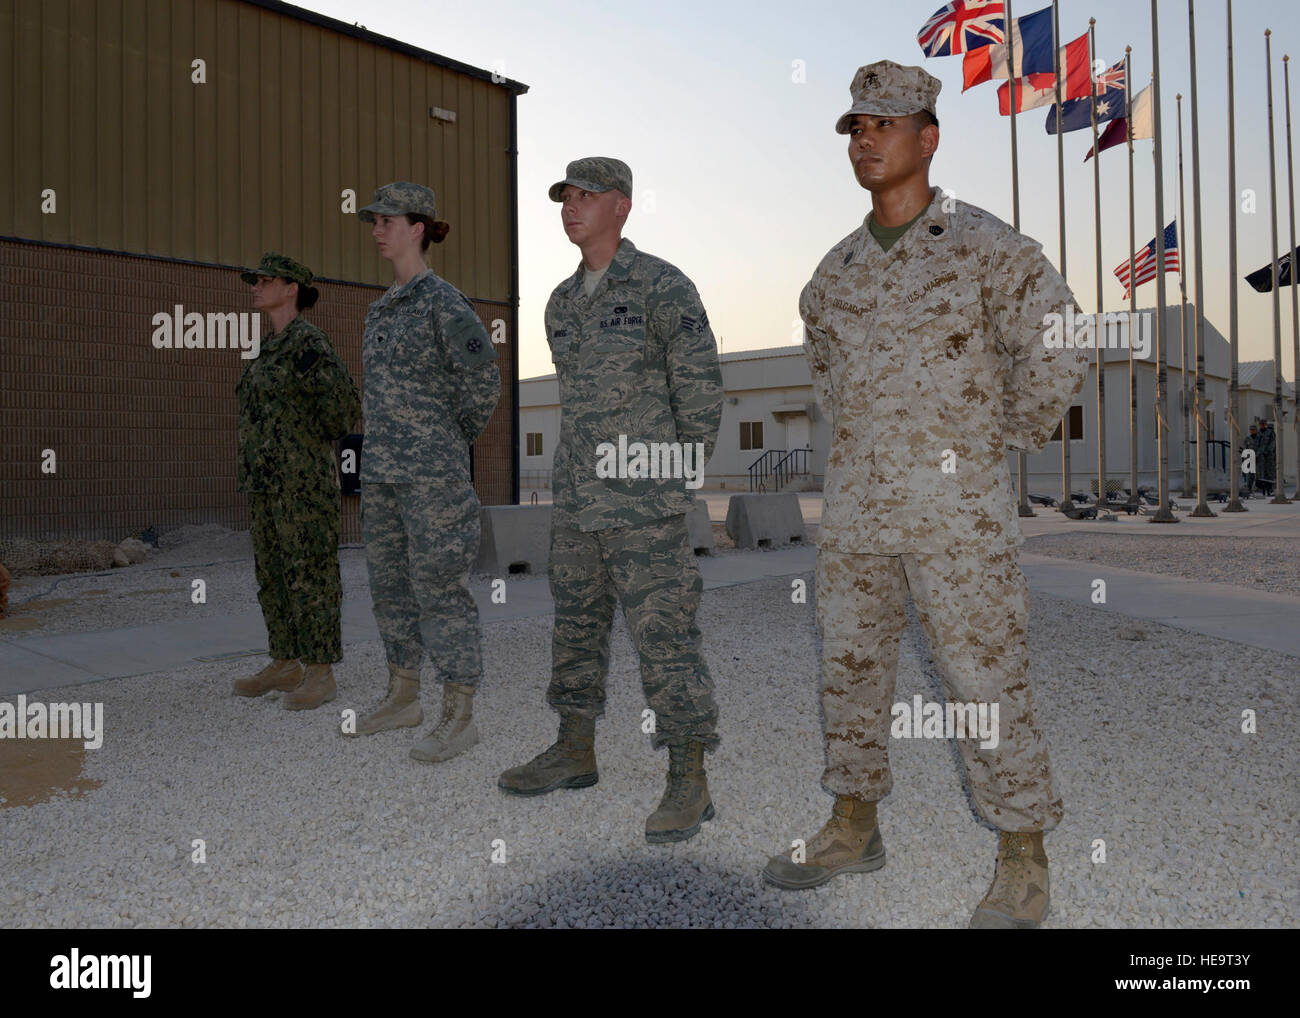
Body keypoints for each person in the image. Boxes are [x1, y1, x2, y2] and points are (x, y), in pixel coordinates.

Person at [760, 61, 1089, 928]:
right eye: (856, 128)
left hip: (957, 515)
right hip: (860, 509)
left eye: (883, 125)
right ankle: (853, 823)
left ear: (927, 138)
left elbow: (1059, 341)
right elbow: (828, 382)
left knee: (984, 675)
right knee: (850, 668)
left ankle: (1022, 854)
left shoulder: (988, 246)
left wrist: (996, 437)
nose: (865, 139)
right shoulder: (833, 275)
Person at [497, 158, 724, 844]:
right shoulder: (561, 304)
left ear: (621, 206)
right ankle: (574, 749)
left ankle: (689, 777)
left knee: (664, 637)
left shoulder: (661, 285)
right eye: (565, 196)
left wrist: (672, 483)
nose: (571, 206)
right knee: (576, 630)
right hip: (577, 503)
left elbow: (701, 392)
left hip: (644, 502)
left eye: (585, 196)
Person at [347, 182, 500, 763]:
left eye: (387, 220)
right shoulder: (381, 307)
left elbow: (482, 382)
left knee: (440, 592)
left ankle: (460, 715)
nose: (378, 230)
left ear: (418, 228)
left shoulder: (445, 303)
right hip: (383, 474)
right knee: (390, 588)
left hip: (433, 478)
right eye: (374, 222)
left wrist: (444, 441)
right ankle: (403, 695)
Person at [233, 253, 361, 708]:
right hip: (266, 485)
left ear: (292, 289)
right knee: (273, 575)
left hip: (301, 487)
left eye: (266, 280)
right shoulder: (270, 347)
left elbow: (343, 411)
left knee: (311, 575)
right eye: (256, 280)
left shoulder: (309, 345)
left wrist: (302, 447)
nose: (256, 286)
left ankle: (320, 671)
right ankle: (285, 662)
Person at [1243, 423, 1259, 496]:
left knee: (1259, 474)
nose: (1252, 431)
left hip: (1259, 458)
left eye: (1253, 430)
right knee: (1250, 475)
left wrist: (1258, 454)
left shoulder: (1260, 438)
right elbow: (1245, 447)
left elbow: (1262, 446)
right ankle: (1249, 488)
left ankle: (1260, 488)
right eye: (1251, 430)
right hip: (1250, 458)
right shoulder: (1247, 438)